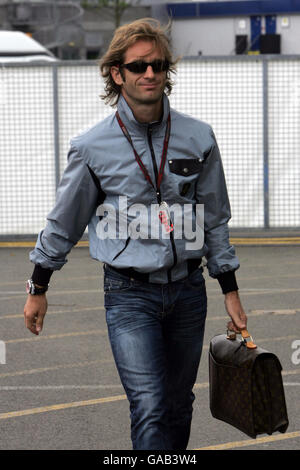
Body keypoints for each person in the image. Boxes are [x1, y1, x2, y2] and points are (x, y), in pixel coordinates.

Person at [24, 18, 247, 450]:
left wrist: (230, 290)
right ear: (117, 73)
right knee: (149, 403)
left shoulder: (198, 137)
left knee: (180, 403)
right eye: (139, 66)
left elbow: (215, 219)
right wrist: (38, 284)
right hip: (128, 294)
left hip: (188, 292)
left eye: (159, 65)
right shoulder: (91, 147)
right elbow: (64, 222)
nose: (150, 74)